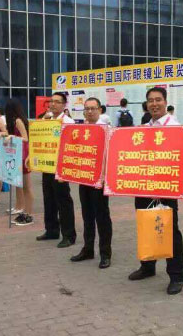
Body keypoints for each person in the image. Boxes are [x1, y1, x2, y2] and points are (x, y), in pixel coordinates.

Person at [128, 87, 183, 295]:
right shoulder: (143, 129)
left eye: (158, 100)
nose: (154, 104)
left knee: (169, 230)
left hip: (166, 189)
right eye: (151, 100)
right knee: (145, 225)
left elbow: (180, 158)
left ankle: (177, 275)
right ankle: (147, 266)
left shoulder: (175, 127)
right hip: (143, 187)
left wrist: (163, 186)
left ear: (165, 102)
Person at [70, 97, 112, 269]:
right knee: (87, 215)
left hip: (99, 180)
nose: (89, 111)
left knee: (102, 217)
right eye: (86, 108)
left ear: (100, 110)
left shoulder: (107, 130)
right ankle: (88, 249)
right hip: (84, 178)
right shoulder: (81, 129)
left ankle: (105, 253)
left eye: (93, 108)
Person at [36, 92, 77, 248]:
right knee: (48, 198)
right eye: (51, 101)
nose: (53, 104)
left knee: (63, 200)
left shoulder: (68, 122)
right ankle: (51, 230)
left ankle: (69, 235)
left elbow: (72, 144)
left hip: (61, 165)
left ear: (64, 105)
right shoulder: (46, 119)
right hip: (47, 164)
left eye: (57, 102)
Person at [0, 99, 35, 226]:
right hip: (17, 154)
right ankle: (24, 211)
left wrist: (12, 136)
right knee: (22, 186)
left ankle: (28, 214)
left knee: (27, 187)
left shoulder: (18, 121)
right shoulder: (14, 121)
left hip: (23, 155)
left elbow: (25, 138)